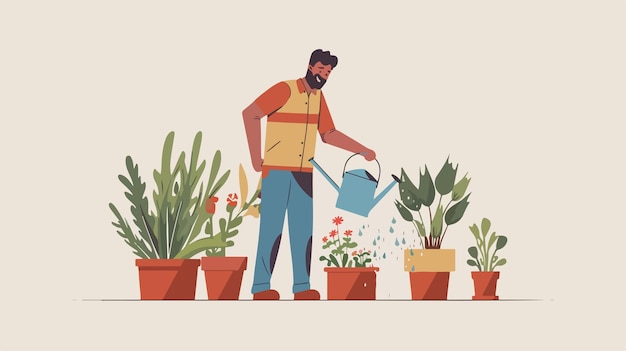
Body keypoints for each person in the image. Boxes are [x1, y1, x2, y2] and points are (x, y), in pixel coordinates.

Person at [242, 49, 376, 300]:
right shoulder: (285, 89)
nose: (323, 76)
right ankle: (261, 286)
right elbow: (250, 113)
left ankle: (302, 286)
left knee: (303, 231)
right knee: (271, 229)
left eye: (328, 73)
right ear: (310, 66)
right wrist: (255, 159)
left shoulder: (318, 98)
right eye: (321, 70)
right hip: (277, 172)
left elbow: (328, 134)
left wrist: (362, 149)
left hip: (304, 174)